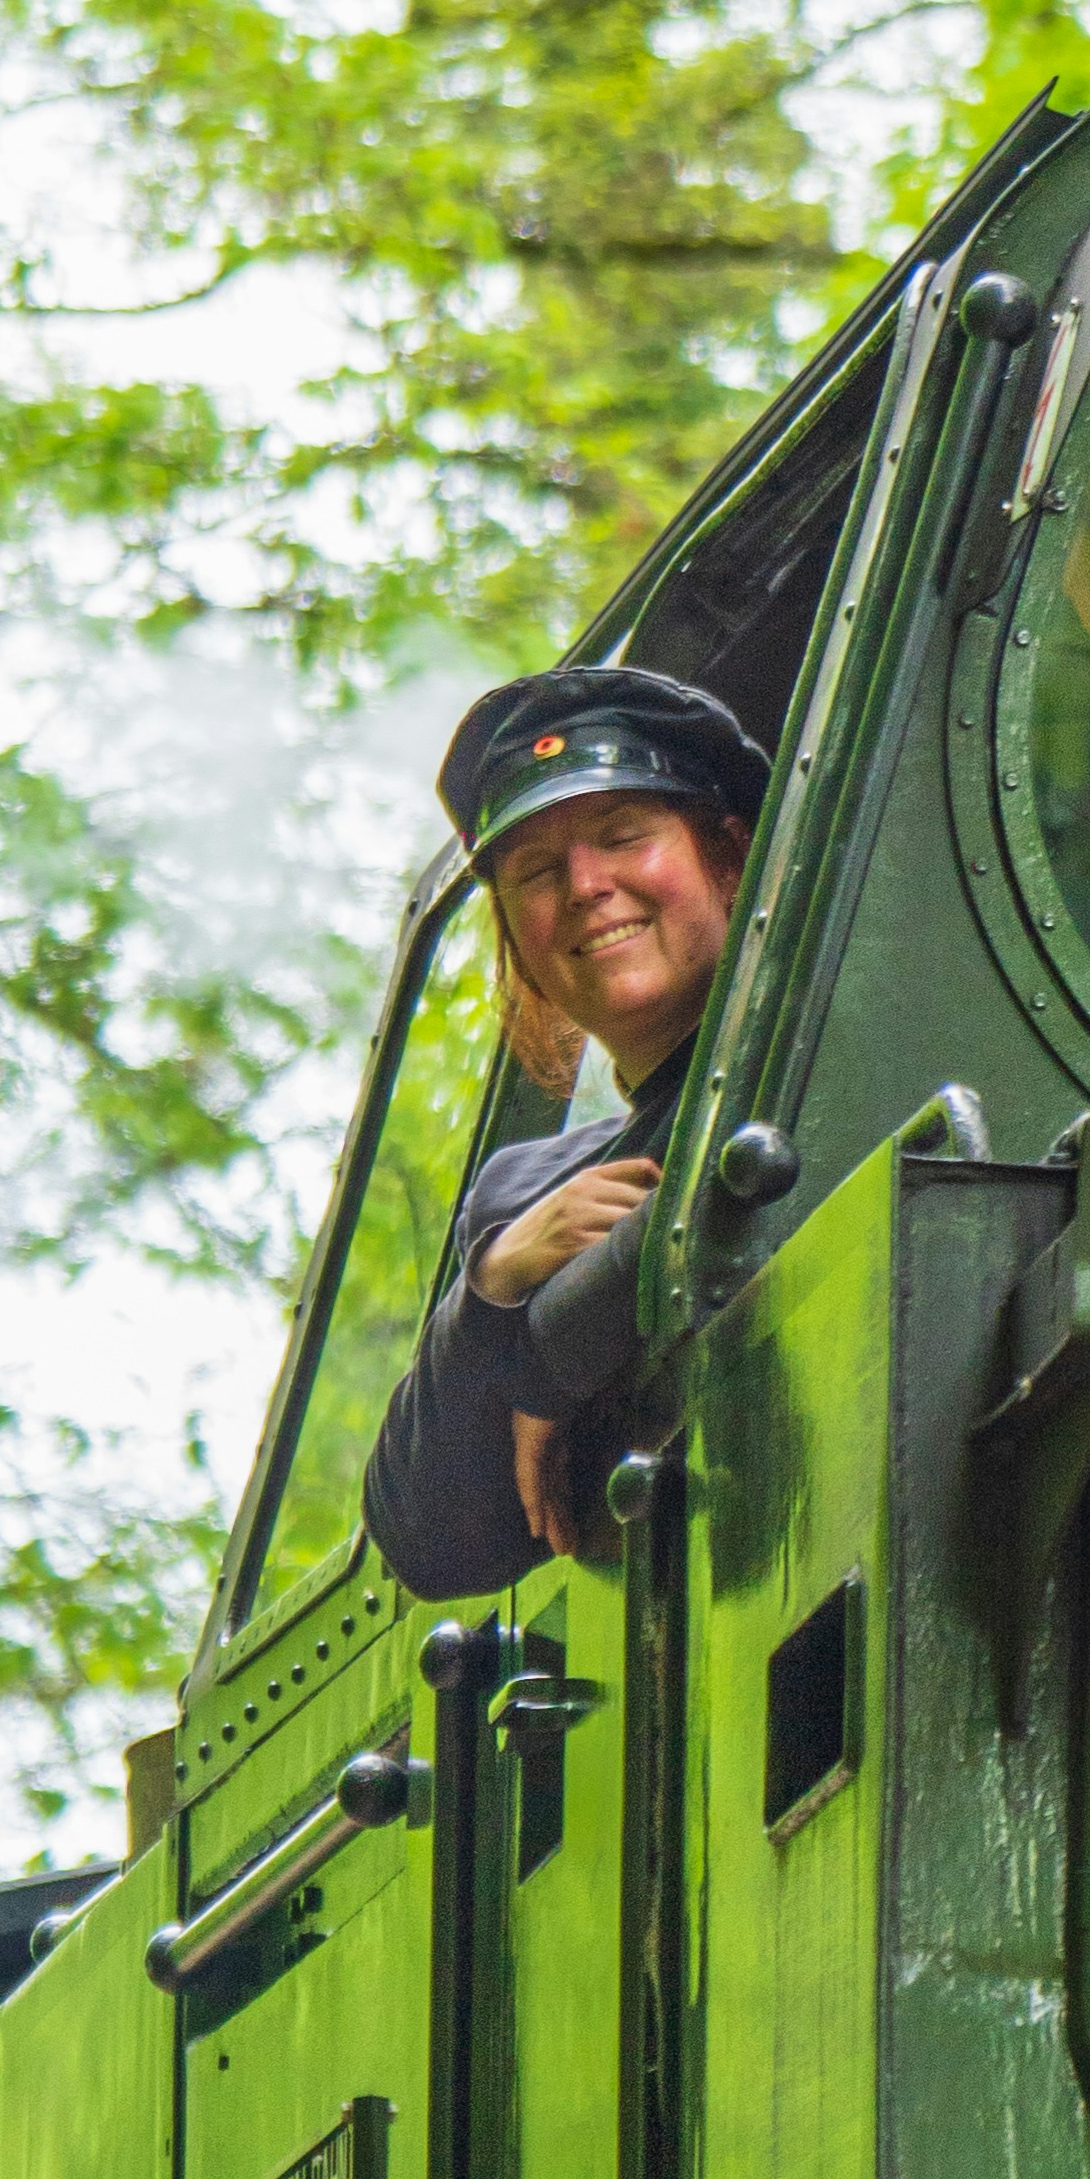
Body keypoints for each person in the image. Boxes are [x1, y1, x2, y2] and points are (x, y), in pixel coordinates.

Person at [358, 664, 769, 1590]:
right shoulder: (520, 1199)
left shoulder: (821, 1041)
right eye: (538, 873)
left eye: (623, 836)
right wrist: (496, 1285)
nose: (586, 885)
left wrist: (544, 1359)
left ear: (730, 856)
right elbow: (435, 1541)